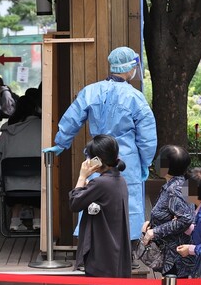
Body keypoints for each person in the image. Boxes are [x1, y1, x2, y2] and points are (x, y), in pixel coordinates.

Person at [45, 46, 157, 241]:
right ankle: (126, 252)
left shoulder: (91, 91)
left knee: (93, 197)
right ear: (131, 67)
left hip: (97, 155)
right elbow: (147, 136)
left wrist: (61, 143)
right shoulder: (135, 97)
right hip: (127, 158)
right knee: (127, 203)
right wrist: (146, 162)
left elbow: (72, 118)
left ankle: (93, 246)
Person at [71, 135, 131, 285]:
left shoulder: (100, 183)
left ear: (97, 160)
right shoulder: (119, 180)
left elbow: (74, 202)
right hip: (116, 252)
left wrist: (82, 176)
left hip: (100, 251)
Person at [143, 146, 196, 285]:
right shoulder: (181, 184)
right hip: (176, 252)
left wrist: (156, 231)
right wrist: (152, 223)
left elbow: (185, 218)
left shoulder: (175, 189)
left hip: (176, 253)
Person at [0, 91, 43, 231]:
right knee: (36, 179)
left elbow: (0, 154)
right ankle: (38, 221)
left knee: (16, 180)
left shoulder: (9, 130)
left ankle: (14, 222)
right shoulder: (42, 127)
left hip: (12, 186)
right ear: (35, 108)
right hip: (38, 185)